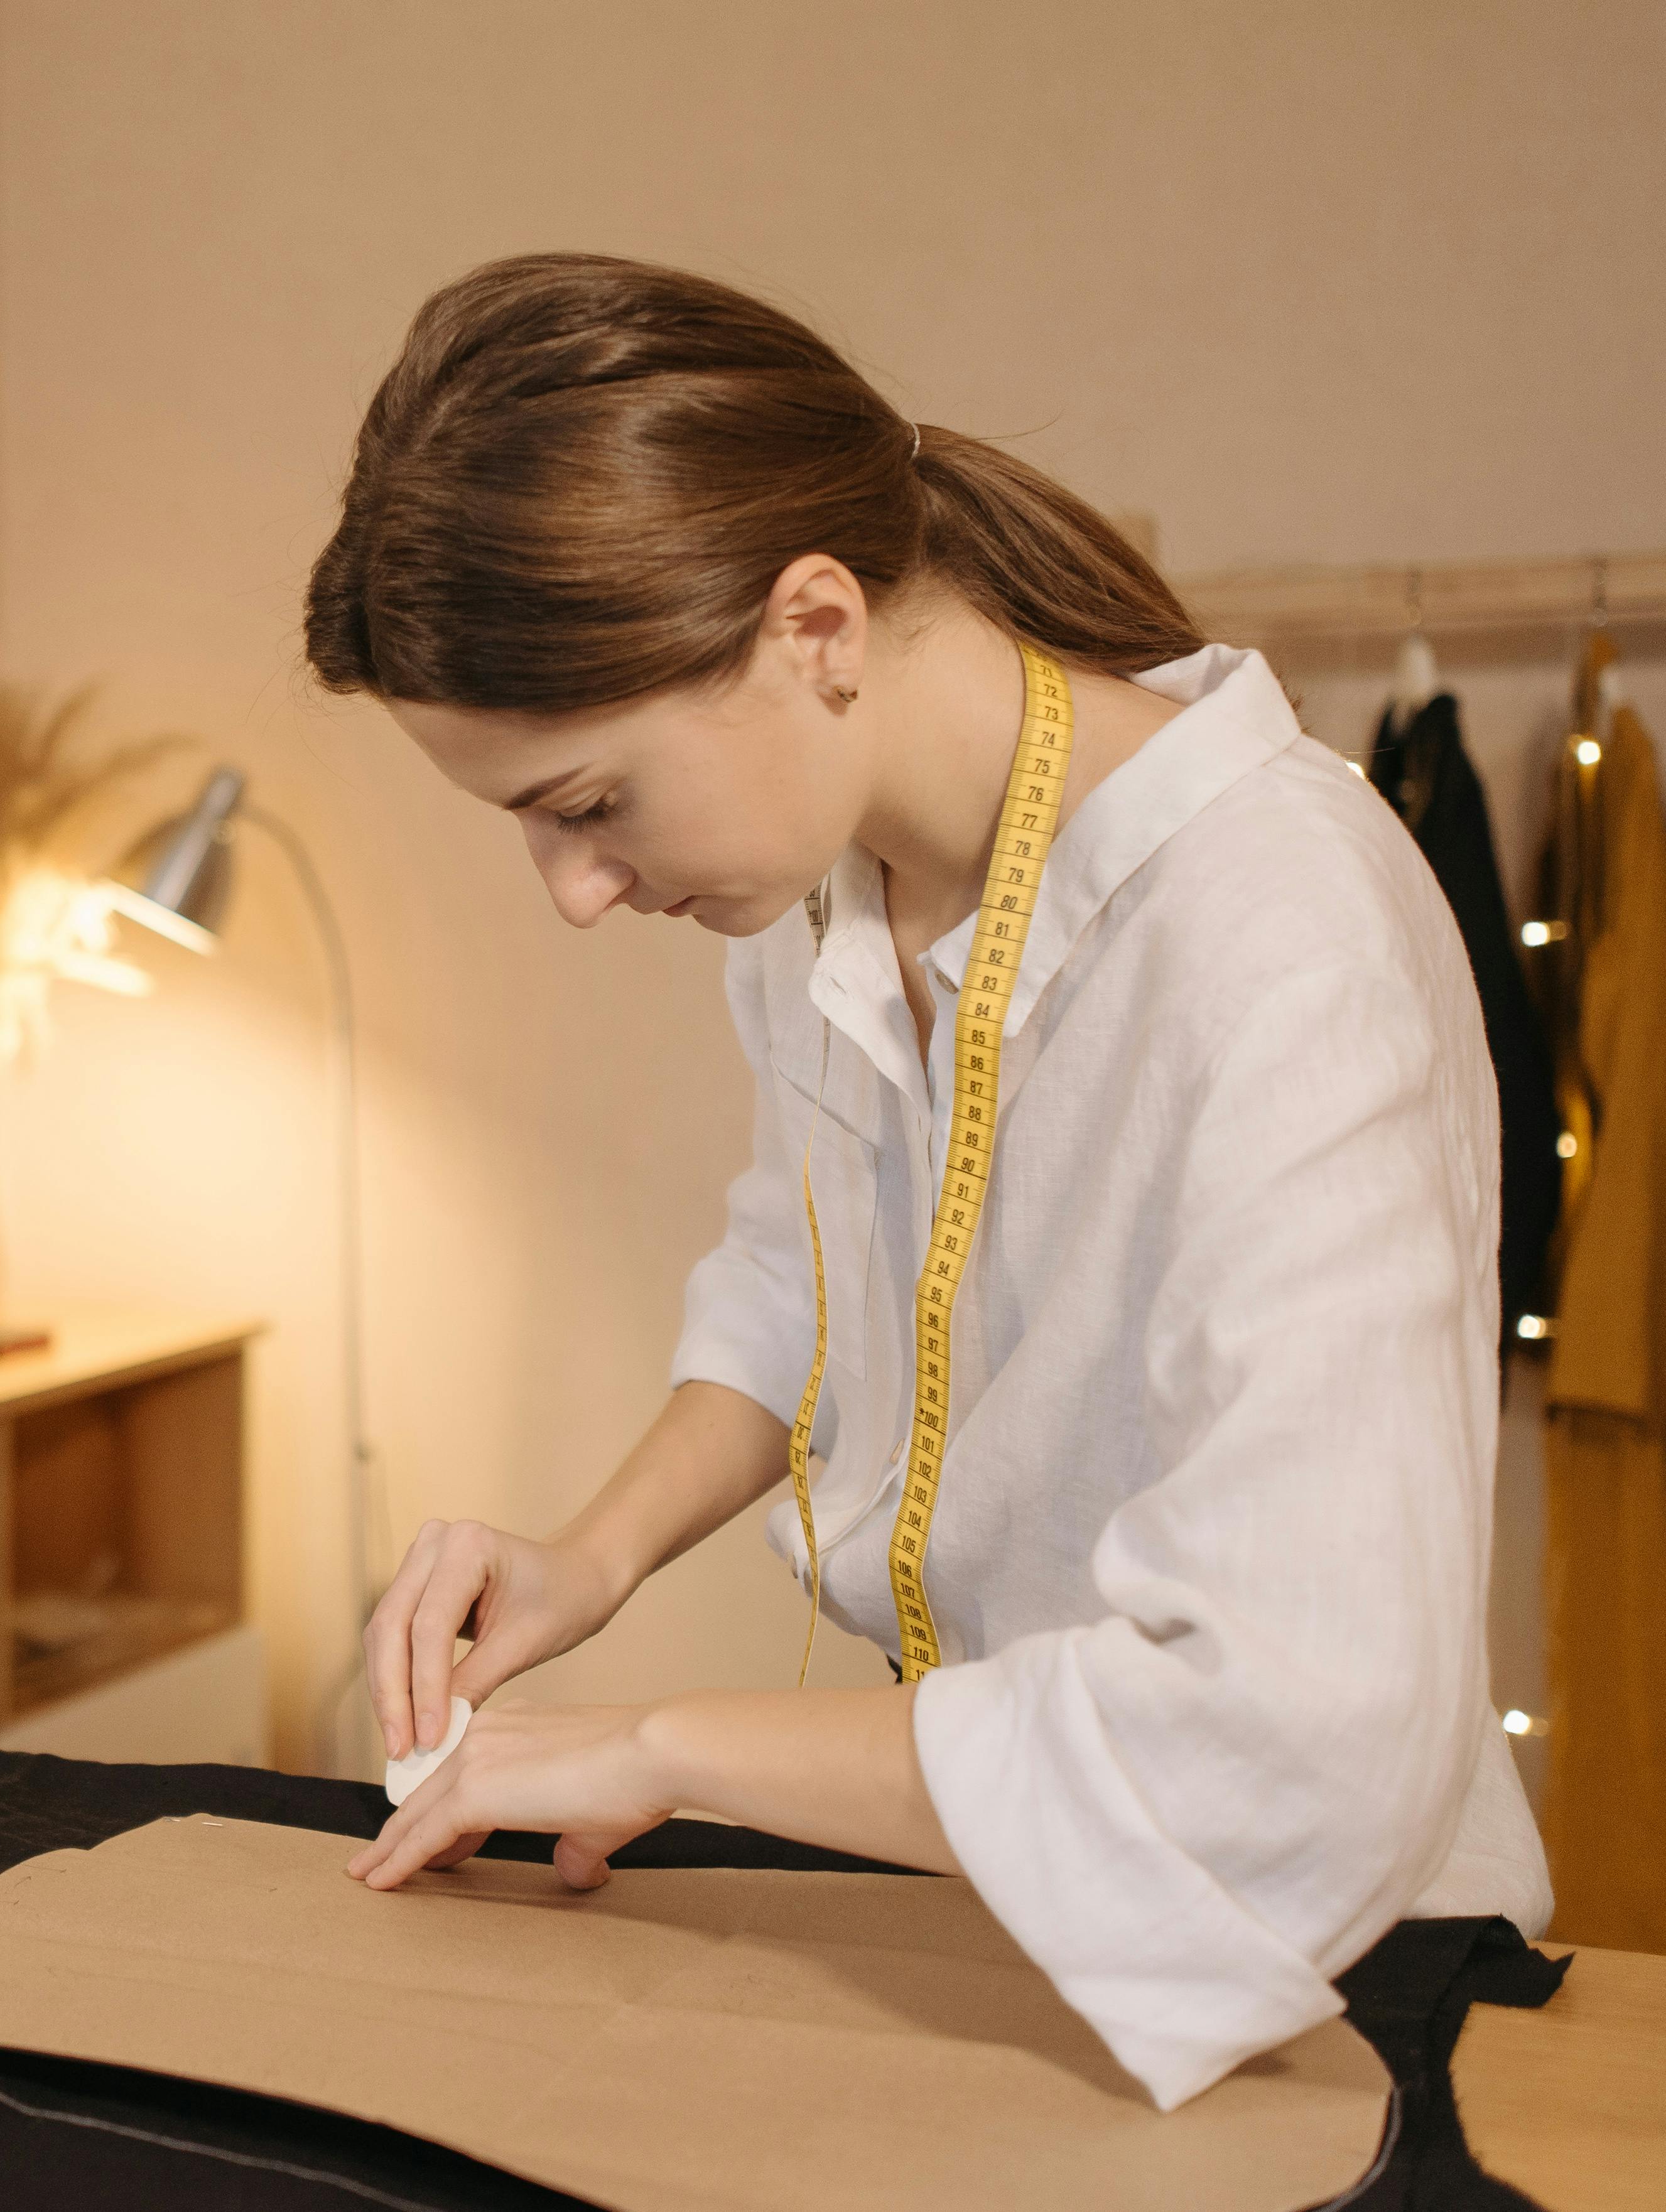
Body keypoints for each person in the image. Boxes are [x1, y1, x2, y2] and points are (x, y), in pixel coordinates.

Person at [313, 254, 1548, 2110]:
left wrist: (662, 1746)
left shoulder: (1283, 938)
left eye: (588, 805)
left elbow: (1294, 1731)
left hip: (1330, 1957)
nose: (574, 893)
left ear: (815, 627)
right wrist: (592, 1552)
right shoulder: (832, 882)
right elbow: (805, 1271)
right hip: (999, 1919)